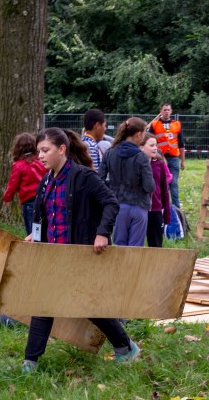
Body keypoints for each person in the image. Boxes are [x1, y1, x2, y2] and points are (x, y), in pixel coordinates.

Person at [21, 127, 138, 372]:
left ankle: (125, 345)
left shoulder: (84, 177)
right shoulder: (46, 182)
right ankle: (29, 363)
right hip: (53, 256)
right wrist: (35, 234)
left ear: (61, 149)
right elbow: (41, 215)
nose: (40, 156)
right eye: (38, 151)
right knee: (44, 305)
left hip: (78, 255)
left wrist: (102, 233)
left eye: (45, 150)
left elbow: (110, 202)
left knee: (84, 305)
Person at [99, 118, 155, 247]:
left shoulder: (109, 153)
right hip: (139, 206)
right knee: (135, 249)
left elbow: (100, 179)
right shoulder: (141, 157)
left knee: (119, 246)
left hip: (117, 206)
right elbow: (149, 186)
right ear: (138, 135)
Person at [2, 133, 48, 235]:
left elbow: (12, 184)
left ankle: (34, 249)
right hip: (45, 199)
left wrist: (6, 198)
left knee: (33, 233)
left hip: (30, 203)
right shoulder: (42, 161)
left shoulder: (19, 165)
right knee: (44, 230)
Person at [149, 103, 185, 208]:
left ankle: (176, 207)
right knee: (159, 182)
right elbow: (149, 141)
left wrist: (183, 160)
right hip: (159, 158)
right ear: (161, 111)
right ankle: (161, 205)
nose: (166, 112)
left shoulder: (177, 124)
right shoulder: (154, 124)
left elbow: (181, 143)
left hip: (173, 158)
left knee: (173, 183)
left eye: (168, 110)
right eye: (164, 110)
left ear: (171, 111)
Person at [141, 133, 171, 247]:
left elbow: (164, 190)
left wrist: (167, 212)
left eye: (156, 145)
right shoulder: (135, 164)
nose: (155, 148)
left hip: (155, 211)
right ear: (141, 146)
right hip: (140, 209)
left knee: (156, 245)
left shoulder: (159, 165)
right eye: (152, 145)